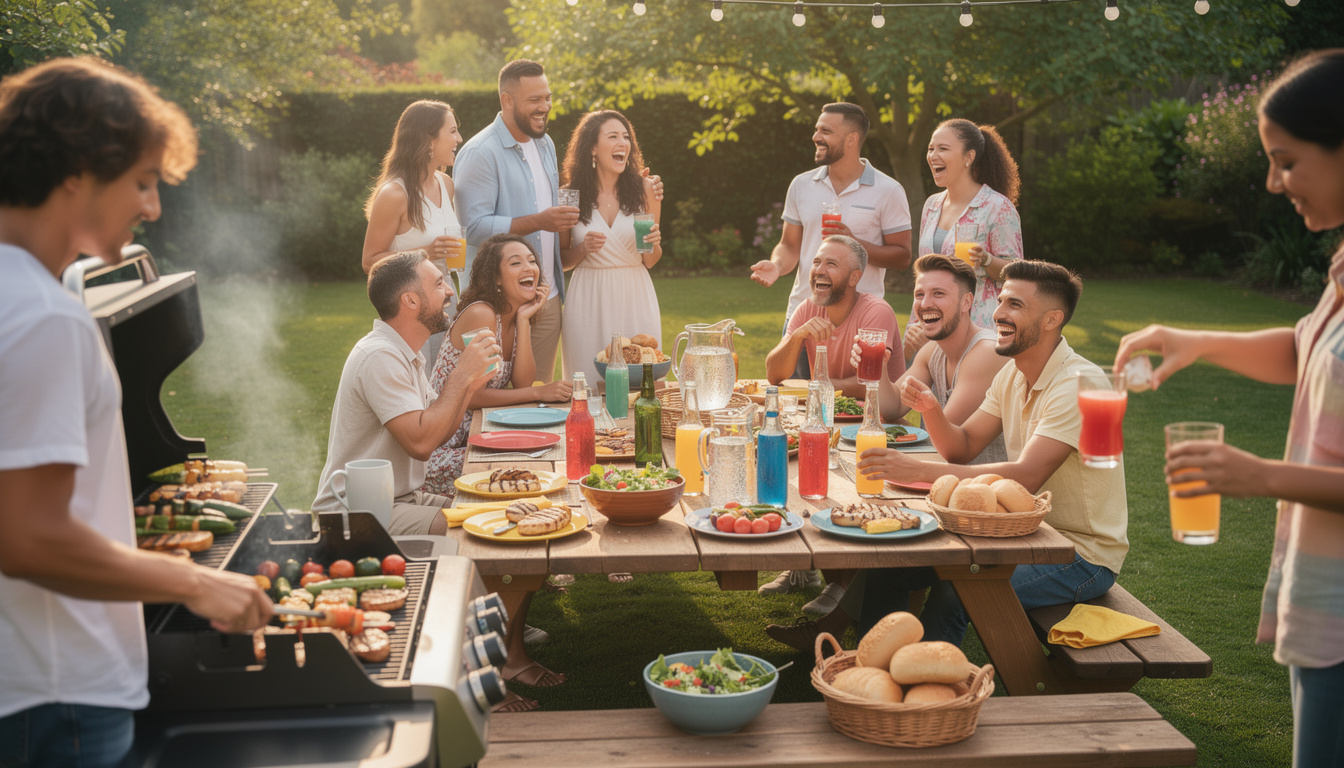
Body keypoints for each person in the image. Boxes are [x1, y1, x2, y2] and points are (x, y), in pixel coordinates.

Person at [0, 57, 273, 768]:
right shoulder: (43, 319)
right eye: (143, 182)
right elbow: (27, 537)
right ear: (77, 173)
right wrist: (197, 579)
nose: (152, 208)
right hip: (58, 693)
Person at [1113, 50, 1344, 768]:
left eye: (1286, 160)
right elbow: (1307, 349)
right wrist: (1195, 340)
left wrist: (1261, 475)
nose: (1274, 183)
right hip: (1323, 598)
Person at [769, 260, 1128, 650]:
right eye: (1002, 300)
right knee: (890, 564)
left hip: (1078, 555)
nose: (999, 313)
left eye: (1015, 305)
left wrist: (915, 467)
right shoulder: (1013, 373)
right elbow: (962, 445)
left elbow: (1026, 476)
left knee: (956, 588)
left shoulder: (1080, 383)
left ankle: (932, 689)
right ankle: (868, 669)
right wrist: (931, 410)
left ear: (1051, 319)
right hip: (1011, 531)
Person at [758, 235, 904, 613]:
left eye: (831, 265)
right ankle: (803, 569)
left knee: (851, 494)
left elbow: (869, 380)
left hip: (875, 424)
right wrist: (798, 336)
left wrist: (816, 386)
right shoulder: (808, 309)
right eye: (817, 263)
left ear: (854, 277)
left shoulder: (876, 312)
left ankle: (843, 583)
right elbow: (774, 373)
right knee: (799, 480)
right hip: (828, 420)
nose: (819, 271)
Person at [313, 250, 499, 535]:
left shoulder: (403, 353)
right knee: (477, 529)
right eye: (438, 284)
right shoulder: (379, 356)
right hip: (355, 511)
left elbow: (440, 433)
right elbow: (421, 444)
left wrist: (470, 384)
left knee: (493, 511)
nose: (449, 290)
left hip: (399, 499)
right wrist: (460, 375)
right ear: (410, 300)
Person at [750, 102, 913, 380]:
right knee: (796, 404)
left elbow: (902, 256)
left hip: (861, 320)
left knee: (858, 404)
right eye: (816, 129)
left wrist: (855, 243)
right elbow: (790, 245)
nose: (816, 137)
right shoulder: (801, 185)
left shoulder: (888, 190)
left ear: (851, 140)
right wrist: (778, 265)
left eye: (825, 130)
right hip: (804, 315)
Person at [422, 234, 574, 495]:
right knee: (527, 466)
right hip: (442, 448)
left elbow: (523, 381)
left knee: (546, 453)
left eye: (531, 261)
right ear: (496, 278)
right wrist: (540, 392)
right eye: (515, 263)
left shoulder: (512, 316)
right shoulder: (482, 313)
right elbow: (472, 396)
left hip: (477, 434)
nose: (529, 268)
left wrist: (524, 319)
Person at [452, 60, 574, 384]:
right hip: (497, 307)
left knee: (538, 399)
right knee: (490, 400)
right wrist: (540, 221)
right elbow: (473, 227)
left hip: (544, 300)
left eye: (547, 98)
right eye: (535, 100)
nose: (545, 107)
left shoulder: (545, 144)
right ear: (507, 100)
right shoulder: (480, 152)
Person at [856, 254, 1008, 463]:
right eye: (919, 294)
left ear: (966, 302)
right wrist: (879, 368)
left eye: (938, 294)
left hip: (985, 488)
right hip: (946, 476)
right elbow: (892, 408)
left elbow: (942, 443)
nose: (925, 303)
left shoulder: (985, 353)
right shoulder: (933, 351)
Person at [903, 119, 1023, 363]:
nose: (933, 155)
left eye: (943, 149)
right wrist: (918, 322)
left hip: (978, 331)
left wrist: (987, 260)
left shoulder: (997, 208)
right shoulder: (932, 205)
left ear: (969, 157)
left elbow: (1017, 276)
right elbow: (924, 273)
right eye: (930, 149)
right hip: (930, 322)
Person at [559, 110, 664, 385]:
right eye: (613, 136)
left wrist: (654, 244)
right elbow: (562, 260)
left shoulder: (646, 189)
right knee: (586, 384)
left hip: (634, 293)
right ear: (592, 147)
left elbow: (651, 260)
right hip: (587, 298)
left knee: (640, 381)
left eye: (626, 137)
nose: (623, 143)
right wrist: (582, 249)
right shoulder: (569, 195)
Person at [362, 99, 466, 366]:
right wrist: (426, 253)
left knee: (447, 381)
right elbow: (370, 260)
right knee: (420, 382)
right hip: (411, 309)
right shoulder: (394, 194)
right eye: (452, 131)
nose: (459, 138)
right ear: (429, 140)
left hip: (446, 301)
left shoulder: (446, 184)